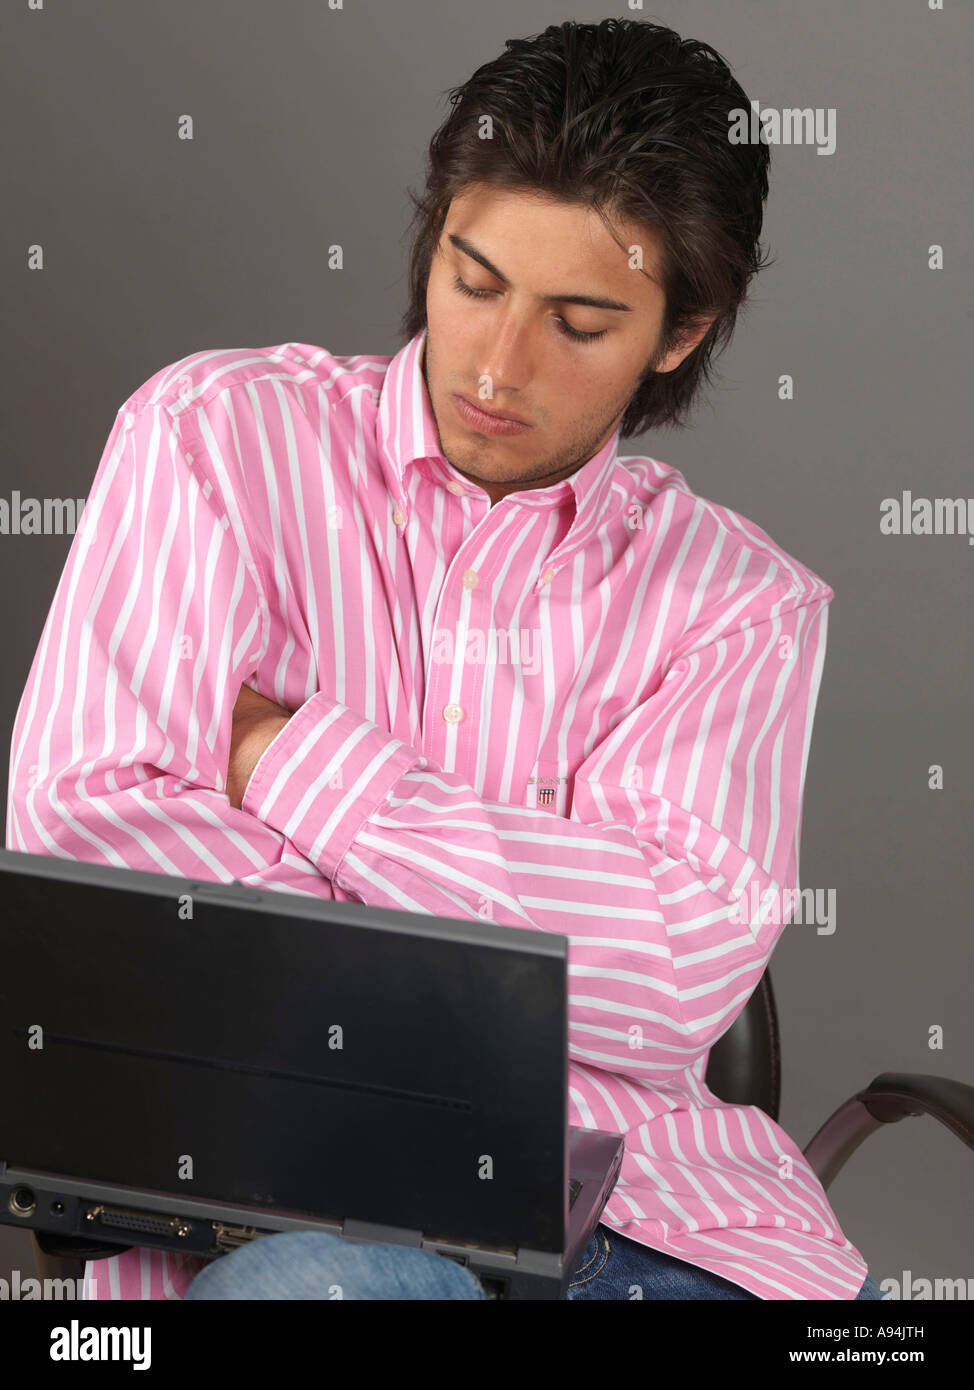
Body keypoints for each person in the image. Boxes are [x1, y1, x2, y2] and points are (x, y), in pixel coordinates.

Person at [8, 18, 884, 1301]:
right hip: (309, 1204)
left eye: (578, 323)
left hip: (672, 1217)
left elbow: (669, 984)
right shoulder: (214, 443)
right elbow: (88, 837)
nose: (494, 365)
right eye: (474, 283)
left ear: (679, 333)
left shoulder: (742, 604)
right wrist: (533, 934)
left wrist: (287, 759)